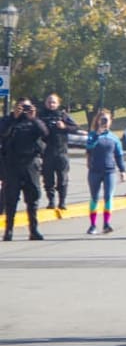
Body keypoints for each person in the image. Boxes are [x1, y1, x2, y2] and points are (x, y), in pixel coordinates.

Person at [2, 98, 49, 240]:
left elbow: (45, 133)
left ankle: (33, 230)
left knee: (33, 198)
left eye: (27, 107)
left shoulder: (34, 121)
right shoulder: (8, 120)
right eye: (21, 107)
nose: (24, 109)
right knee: (11, 199)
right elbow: (2, 133)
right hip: (12, 164)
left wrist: (33, 118)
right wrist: (14, 118)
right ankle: (8, 231)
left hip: (30, 164)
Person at [84, 110, 126, 234]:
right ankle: (92, 225)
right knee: (94, 197)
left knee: (108, 197)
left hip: (109, 171)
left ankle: (106, 224)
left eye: (106, 120)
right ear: (97, 121)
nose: (104, 122)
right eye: (101, 120)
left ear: (110, 122)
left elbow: (119, 155)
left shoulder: (114, 138)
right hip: (94, 171)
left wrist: (123, 170)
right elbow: (89, 147)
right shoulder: (92, 135)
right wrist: (97, 135)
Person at [38, 93, 78, 210]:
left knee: (62, 178)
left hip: (61, 152)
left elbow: (76, 128)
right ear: (45, 103)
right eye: (49, 102)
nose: (51, 104)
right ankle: (51, 201)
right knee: (48, 179)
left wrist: (64, 126)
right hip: (46, 153)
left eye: (53, 102)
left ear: (58, 104)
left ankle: (62, 202)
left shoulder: (63, 115)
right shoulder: (40, 116)